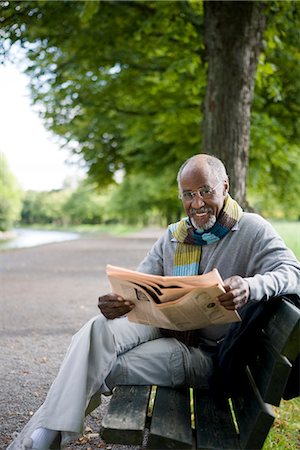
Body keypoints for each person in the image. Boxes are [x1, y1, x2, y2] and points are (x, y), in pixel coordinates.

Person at [9, 154, 300, 450]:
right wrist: (120, 302)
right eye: (188, 194)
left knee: (96, 365)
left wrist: (250, 287)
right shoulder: (175, 236)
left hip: (204, 354)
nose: (196, 203)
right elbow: (140, 284)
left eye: (205, 191)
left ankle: (39, 441)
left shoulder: (251, 228)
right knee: (98, 329)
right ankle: (45, 439)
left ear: (225, 186)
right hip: (162, 326)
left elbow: (293, 273)